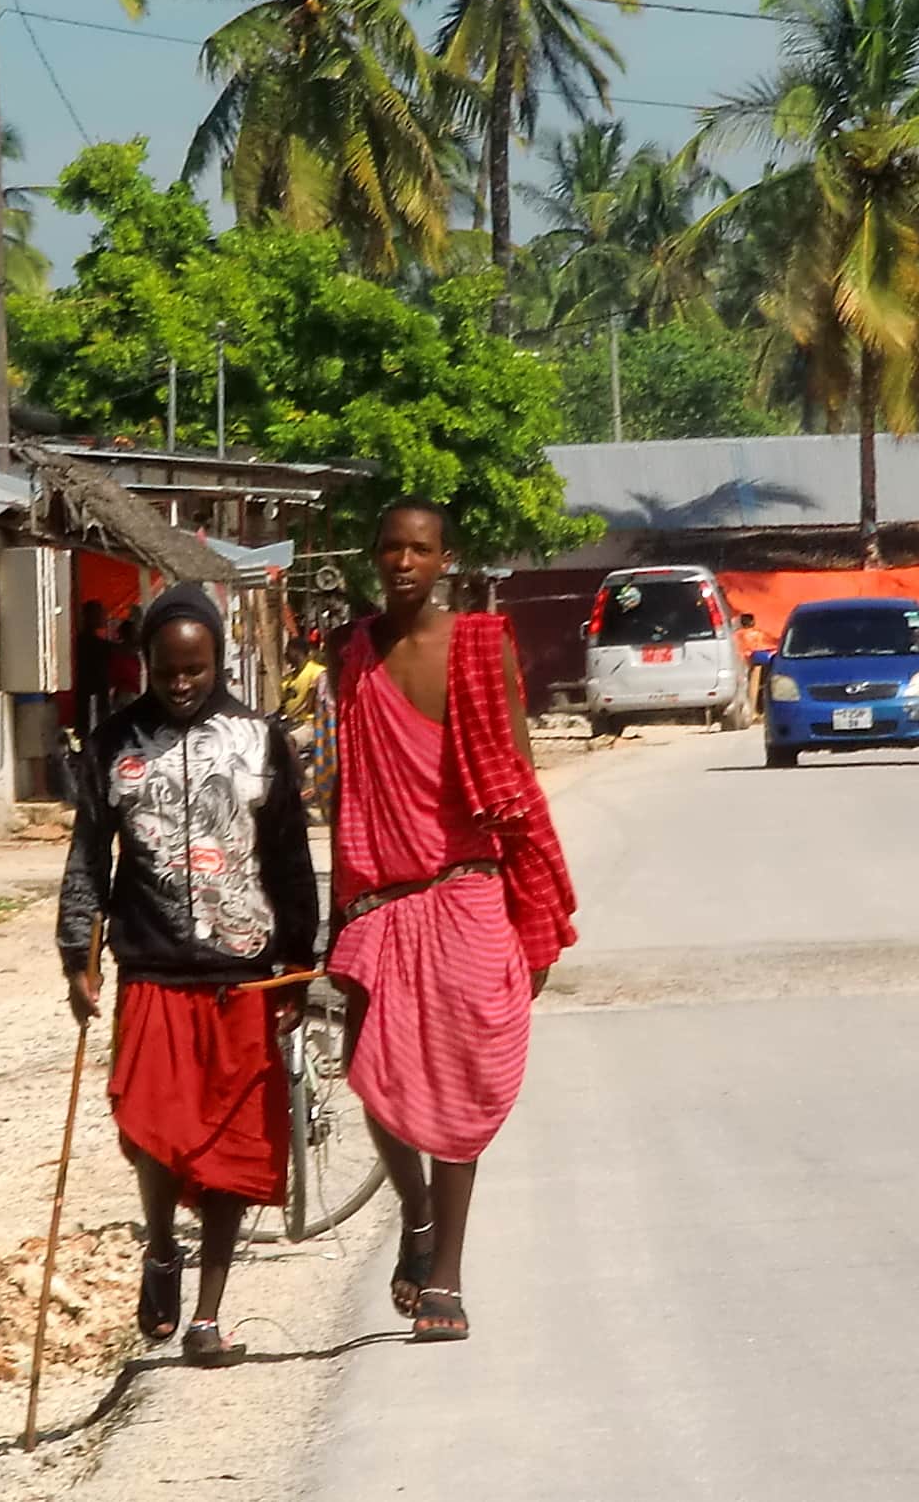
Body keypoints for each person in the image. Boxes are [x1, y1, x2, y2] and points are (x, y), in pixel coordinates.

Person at [328, 497, 579, 1344]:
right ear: (375, 556)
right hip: (380, 897)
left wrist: (534, 909)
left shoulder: (479, 647)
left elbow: (516, 779)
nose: (404, 562)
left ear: (445, 561)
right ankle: (418, 1209)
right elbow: (346, 787)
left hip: (468, 888)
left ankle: (448, 1273)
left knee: (464, 1075)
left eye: (420, 550)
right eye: (392, 548)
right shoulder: (349, 653)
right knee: (371, 1066)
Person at [57, 586, 322, 1369]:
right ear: (147, 665)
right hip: (151, 967)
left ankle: (208, 1316)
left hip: (242, 974)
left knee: (234, 1148)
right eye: (168, 670)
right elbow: (88, 857)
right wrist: (79, 953)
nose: (181, 683)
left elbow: (289, 861)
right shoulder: (113, 743)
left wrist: (299, 966)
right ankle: (161, 1249)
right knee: (155, 1137)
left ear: (217, 661)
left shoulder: (260, 740)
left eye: (195, 668)